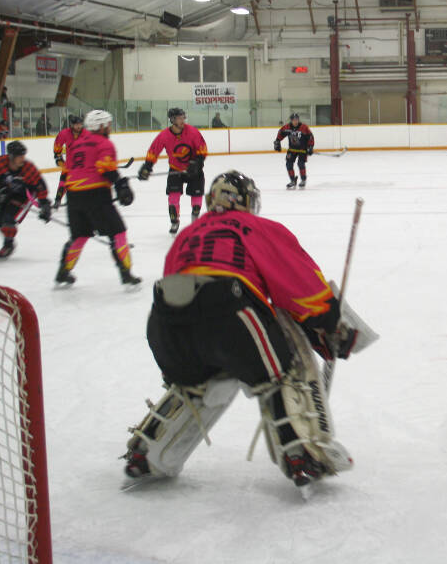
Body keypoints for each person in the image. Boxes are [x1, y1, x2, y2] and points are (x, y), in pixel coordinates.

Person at [122, 170, 371, 492]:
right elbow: (298, 283)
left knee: (197, 383)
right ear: (247, 201)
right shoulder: (259, 227)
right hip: (229, 309)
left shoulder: (189, 233)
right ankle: (303, 452)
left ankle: (148, 452)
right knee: (285, 368)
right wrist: (329, 323)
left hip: (165, 323)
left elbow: (177, 280)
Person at [55, 109, 140, 287]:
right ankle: (126, 273)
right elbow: (106, 168)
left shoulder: (77, 144)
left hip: (73, 195)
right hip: (96, 194)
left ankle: (63, 272)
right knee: (118, 232)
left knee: (79, 236)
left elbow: (69, 170)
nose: (110, 127)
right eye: (108, 124)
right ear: (101, 126)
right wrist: (120, 185)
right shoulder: (104, 143)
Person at [138, 108, 209, 233]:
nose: (183, 120)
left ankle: (194, 222)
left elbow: (202, 149)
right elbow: (153, 151)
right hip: (175, 170)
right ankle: (174, 221)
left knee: (197, 197)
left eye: (183, 117)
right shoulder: (164, 136)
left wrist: (197, 162)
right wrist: (147, 166)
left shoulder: (192, 132)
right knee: (173, 199)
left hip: (194, 170)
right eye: (179, 118)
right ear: (172, 120)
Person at [0, 141, 52, 259]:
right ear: (11, 157)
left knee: (9, 219)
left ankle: (8, 245)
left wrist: (45, 205)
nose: (22, 159)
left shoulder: (28, 168)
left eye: (23, 156)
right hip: (6, 191)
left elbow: (40, 185)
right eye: (20, 157)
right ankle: (8, 239)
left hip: (23, 195)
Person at [51, 114, 85, 210]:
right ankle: (58, 199)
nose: (79, 126)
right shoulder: (64, 133)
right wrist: (58, 157)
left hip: (83, 165)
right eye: (76, 124)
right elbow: (57, 145)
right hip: (70, 164)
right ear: (72, 125)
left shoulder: (86, 134)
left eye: (80, 124)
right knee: (63, 181)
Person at [274, 113, 315, 188]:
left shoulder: (304, 127)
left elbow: (310, 137)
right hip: (292, 149)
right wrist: (277, 142)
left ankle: (303, 180)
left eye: (297, 119)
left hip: (302, 150)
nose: (295, 121)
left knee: (300, 164)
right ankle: (293, 180)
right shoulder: (287, 127)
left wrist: (310, 147)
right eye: (294, 120)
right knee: (288, 164)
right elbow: (281, 132)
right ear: (291, 120)